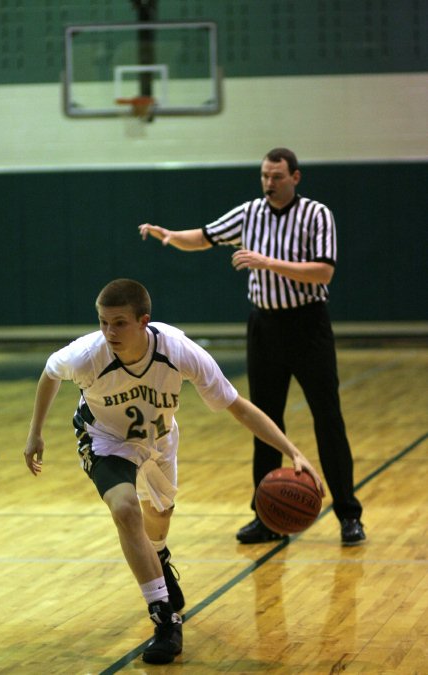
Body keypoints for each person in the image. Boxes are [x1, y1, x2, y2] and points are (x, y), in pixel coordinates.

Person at [24, 278, 324, 665]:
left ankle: (160, 558)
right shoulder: (86, 355)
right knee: (125, 509)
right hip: (105, 439)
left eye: (119, 323)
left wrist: (292, 451)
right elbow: (50, 373)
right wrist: (35, 434)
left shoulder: (179, 351)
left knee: (158, 520)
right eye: (102, 322)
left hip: (160, 440)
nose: (109, 332)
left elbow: (238, 406)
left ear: (143, 321)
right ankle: (165, 618)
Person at [139, 146, 366, 547]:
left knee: (327, 418)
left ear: (295, 177)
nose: (269, 183)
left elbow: (323, 270)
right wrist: (172, 237)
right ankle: (267, 518)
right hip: (265, 327)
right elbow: (207, 236)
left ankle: (349, 514)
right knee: (265, 420)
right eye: (264, 175)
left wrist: (267, 262)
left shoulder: (317, 214)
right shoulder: (249, 213)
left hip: (308, 323)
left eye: (277, 176)